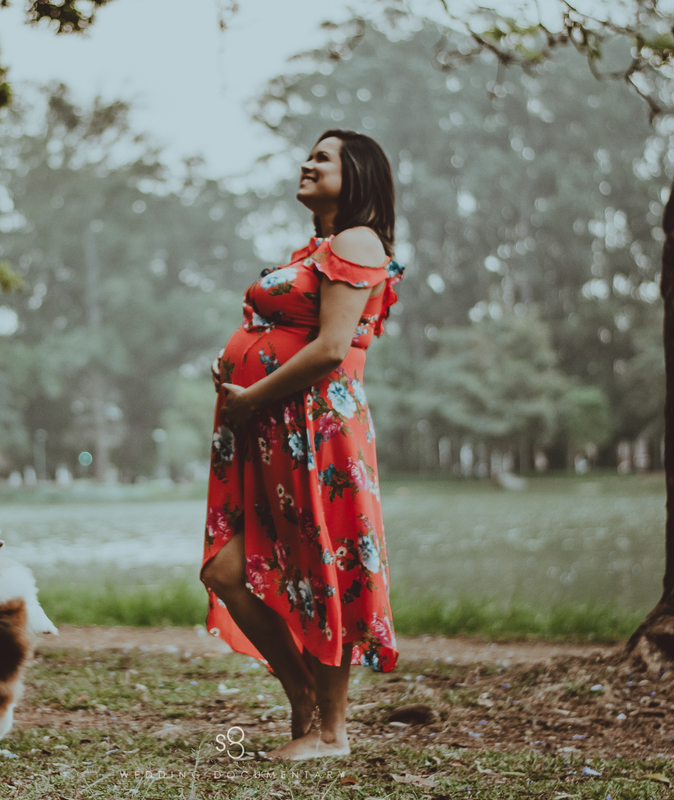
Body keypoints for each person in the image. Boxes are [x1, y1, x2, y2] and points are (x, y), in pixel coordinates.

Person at [200, 129, 402, 760]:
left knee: (323, 566)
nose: (307, 164)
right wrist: (240, 370)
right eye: (309, 155)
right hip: (273, 428)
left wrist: (252, 396)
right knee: (226, 568)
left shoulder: (357, 241)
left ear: (357, 175)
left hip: (316, 430)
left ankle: (332, 734)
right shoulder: (317, 248)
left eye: (323, 158)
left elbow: (332, 348)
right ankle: (302, 692)